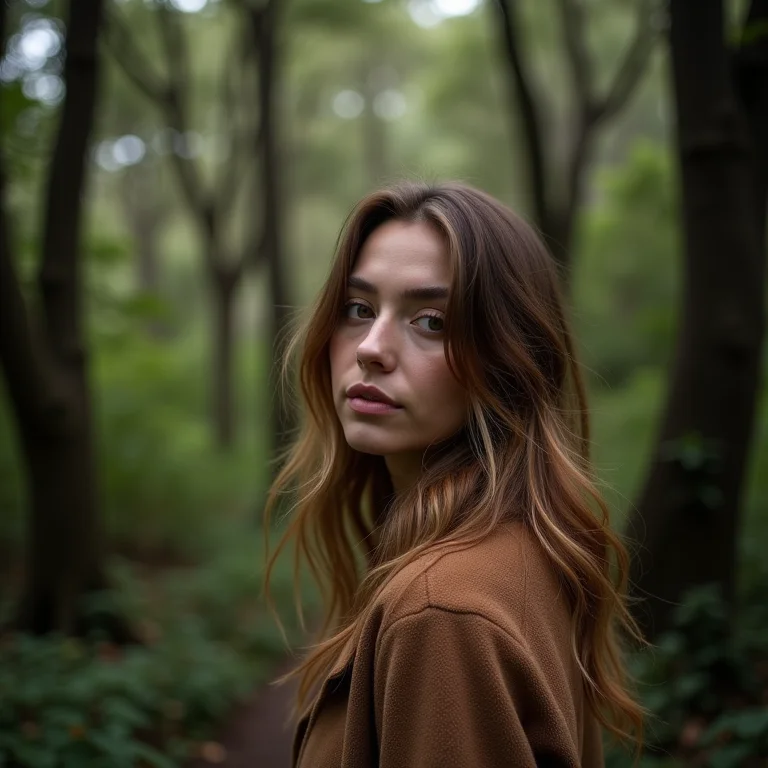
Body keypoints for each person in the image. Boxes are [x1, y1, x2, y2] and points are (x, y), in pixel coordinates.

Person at [263, 181, 646, 767]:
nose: (371, 347)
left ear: (509, 361)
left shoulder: (439, 611)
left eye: (432, 322)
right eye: (359, 308)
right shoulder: (521, 546)